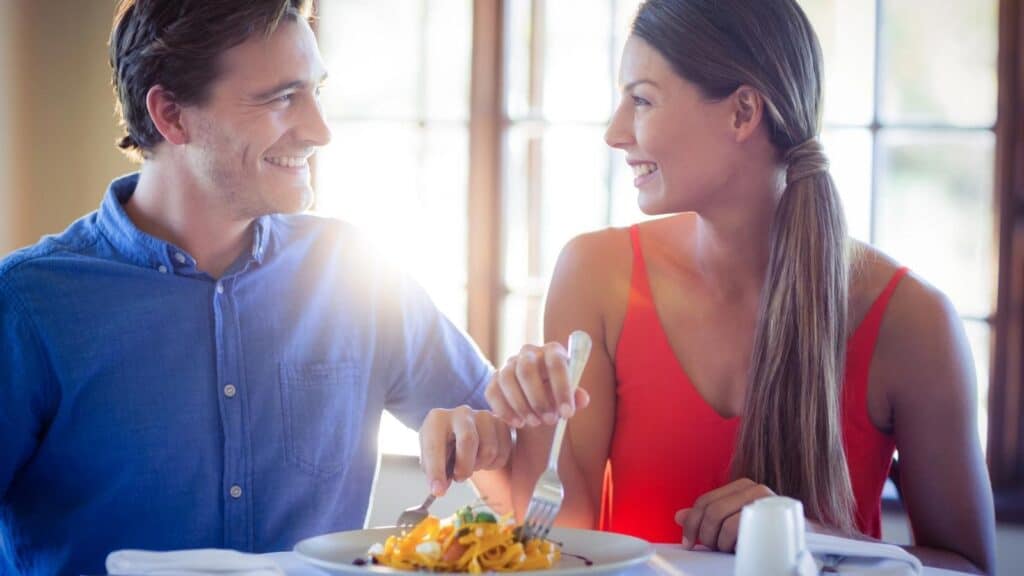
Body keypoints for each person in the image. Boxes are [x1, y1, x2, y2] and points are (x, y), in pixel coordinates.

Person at [419, 0, 995, 573]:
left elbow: (971, 566)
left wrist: (811, 540)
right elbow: (563, 543)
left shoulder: (913, 322)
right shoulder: (595, 276)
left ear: (742, 112)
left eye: (641, 99)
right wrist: (510, 440)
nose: (616, 133)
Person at [0, 1, 494, 574]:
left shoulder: (359, 273)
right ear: (172, 115)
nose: (319, 130)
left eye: (315, 91)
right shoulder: (29, 306)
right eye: (282, 98)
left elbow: (505, 457)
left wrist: (489, 426)